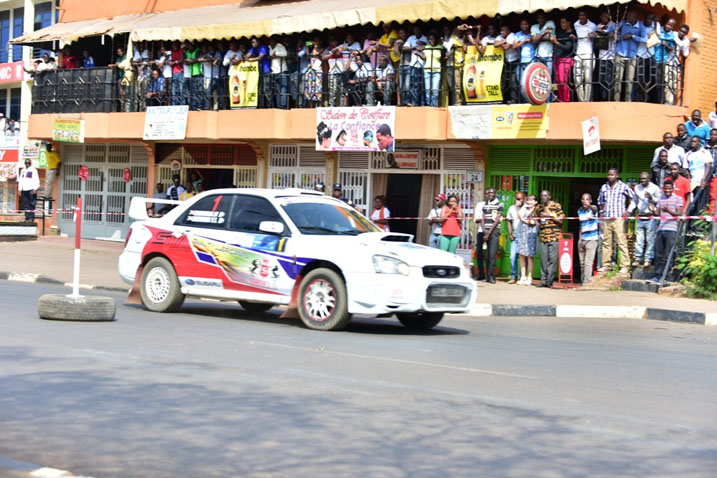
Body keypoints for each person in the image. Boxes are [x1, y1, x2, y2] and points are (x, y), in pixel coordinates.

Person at [597, 168, 634, 273]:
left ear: (617, 175)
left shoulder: (623, 186)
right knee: (606, 243)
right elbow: (600, 201)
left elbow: (634, 198)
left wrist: (628, 211)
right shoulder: (604, 187)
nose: (610, 177)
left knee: (621, 242)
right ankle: (606, 265)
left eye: (612, 175)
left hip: (618, 218)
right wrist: (602, 211)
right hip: (607, 218)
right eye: (609, 175)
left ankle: (625, 266)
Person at [650, 179, 683, 283]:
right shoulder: (660, 199)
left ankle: (666, 276)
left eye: (669, 188)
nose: (668, 190)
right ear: (663, 189)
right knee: (658, 253)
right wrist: (652, 209)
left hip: (672, 229)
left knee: (668, 254)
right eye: (666, 189)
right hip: (661, 229)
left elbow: (679, 213)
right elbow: (657, 213)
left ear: (673, 189)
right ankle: (657, 275)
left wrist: (668, 211)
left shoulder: (678, 198)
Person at [627, 172, 661, 267]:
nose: (642, 181)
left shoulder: (655, 188)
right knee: (639, 239)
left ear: (649, 178)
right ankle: (638, 258)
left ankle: (648, 259)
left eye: (644, 179)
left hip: (650, 216)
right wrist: (629, 210)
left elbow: (660, 201)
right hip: (640, 216)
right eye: (641, 179)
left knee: (650, 239)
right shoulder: (637, 188)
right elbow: (634, 201)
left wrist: (651, 197)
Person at [533, 190, 565, 287]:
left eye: (545, 195)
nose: (543, 197)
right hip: (543, 237)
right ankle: (543, 281)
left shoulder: (556, 206)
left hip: (554, 236)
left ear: (549, 196)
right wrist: (538, 224)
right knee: (543, 260)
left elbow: (561, 221)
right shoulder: (539, 207)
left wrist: (548, 216)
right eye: (542, 195)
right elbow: (533, 217)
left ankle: (549, 281)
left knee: (552, 260)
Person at [480, 188, 503, 284]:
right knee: (487, 255)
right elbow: (482, 218)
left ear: (495, 194)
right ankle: (488, 276)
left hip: (494, 232)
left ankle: (492, 276)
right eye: (488, 193)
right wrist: (484, 230)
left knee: (492, 255)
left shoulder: (499, 204)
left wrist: (489, 232)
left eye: (492, 193)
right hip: (485, 232)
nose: (490, 194)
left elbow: (497, 219)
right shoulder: (485, 204)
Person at [573, 10, 597, 102]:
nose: (582, 17)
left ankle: (587, 101)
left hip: (589, 53)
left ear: (587, 16)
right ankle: (581, 101)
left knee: (588, 79)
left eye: (583, 15)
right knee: (577, 79)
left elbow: (597, 37)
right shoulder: (576, 24)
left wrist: (594, 35)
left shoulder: (593, 26)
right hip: (578, 54)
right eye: (580, 15)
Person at [552, 16, 576, 103]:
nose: (562, 24)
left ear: (569, 23)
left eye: (564, 22)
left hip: (566, 59)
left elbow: (567, 47)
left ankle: (566, 100)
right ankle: (561, 99)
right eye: (561, 23)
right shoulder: (560, 32)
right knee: (559, 81)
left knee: (563, 80)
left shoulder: (572, 33)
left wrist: (556, 42)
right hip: (557, 58)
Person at [516, 194, 539, 285]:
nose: (529, 202)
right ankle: (523, 276)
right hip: (522, 233)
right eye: (528, 200)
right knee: (522, 255)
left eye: (531, 200)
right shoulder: (524, 208)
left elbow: (532, 222)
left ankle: (530, 277)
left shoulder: (536, 210)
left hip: (531, 234)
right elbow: (519, 216)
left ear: (535, 202)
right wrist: (520, 207)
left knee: (530, 256)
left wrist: (523, 220)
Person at [577, 193, 599, 285]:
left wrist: (589, 205)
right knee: (582, 263)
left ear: (590, 200)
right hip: (582, 239)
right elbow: (581, 224)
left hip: (592, 239)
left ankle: (586, 282)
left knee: (588, 263)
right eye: (583, 199)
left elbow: (595, 209)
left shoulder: (593, 209)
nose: (584, 201)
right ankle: (583, 280)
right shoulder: (580, 210)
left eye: (587, 199)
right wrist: (579, 238)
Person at [505, 192, 525, 284]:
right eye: (517, 199)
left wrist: (518, 208)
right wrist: (510, 233)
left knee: (523, 257)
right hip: (515, 235)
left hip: (524, 236)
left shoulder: (526, 208)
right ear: (515, 199)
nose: (519, 200)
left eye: (521, 199)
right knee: (512, 257)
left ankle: (522, 277)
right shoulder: (511, 208)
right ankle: (513, 276)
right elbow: (508, 221)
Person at [704, 128, 717, 214]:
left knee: (712, 195)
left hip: (715, 175)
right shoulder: (704, 147)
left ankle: (710, 213)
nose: (713, 136)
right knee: (704, 195)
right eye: (711, 134)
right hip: (704, 175)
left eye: (715, 135)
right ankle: (703, 212)